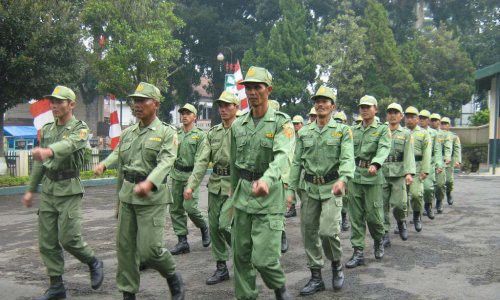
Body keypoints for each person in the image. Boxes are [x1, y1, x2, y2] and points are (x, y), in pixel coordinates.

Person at [95, 82, 184, 300]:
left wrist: (150, 182)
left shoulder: (166, 132)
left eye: (142, 100)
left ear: (156, 104)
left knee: (150, 251)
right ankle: (128, 293)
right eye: (135, 100)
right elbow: (118, 156)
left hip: (152, 198)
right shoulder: (128, 133)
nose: (137, 105)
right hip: (128, 196)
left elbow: (166, 162)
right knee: (125, 250)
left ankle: (173, 276)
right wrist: (105, 164)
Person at [22, 85, 104, 300]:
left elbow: (70, 145)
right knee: (47, 241)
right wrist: (31, 190)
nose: (54, 105)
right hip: (49, 190)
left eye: (59, 102)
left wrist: (49, 151)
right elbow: (40, 163)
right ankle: (56, 285)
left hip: (69, 189)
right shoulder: (48, 129)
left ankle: (93, 261)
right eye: (52, 101)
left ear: (72, 104)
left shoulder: (80, 128)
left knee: (69, 239)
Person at [230, 66, 294, 300]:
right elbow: (235, 164)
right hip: (244, 196)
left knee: (264, 260)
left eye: (257, 87)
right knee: (241, 257)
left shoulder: (281, 123)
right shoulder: (238, 125)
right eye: (248, 87)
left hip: (269, 197)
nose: (252, 92)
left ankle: (279, 287)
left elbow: (282, 156)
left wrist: (266, 179)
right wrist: (232, 197)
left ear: (269, 90)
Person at [288, 85, 354, 295]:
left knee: (327, 231)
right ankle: (316, 276)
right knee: (308, 233)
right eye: (317, 100)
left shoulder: (342, 131)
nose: (320, 104)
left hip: (331, 188)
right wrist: (291, 189)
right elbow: (296, 162)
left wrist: (343, 179)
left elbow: (347, 158)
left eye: (325, 101)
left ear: (333, 106)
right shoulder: (305, 131)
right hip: (308, 189)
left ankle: (336, 265)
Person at [185, 91, 239, 285]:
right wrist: (191, 185)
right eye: (220, 106)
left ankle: (244, 256)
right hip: (216, 184)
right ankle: (221, 267)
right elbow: (201, 162)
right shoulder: (213, 133)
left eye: (227, 105)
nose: (223, 109)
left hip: (235, 185)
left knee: (225, 225)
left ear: (236, 107)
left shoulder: (242, 129)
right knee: (215, 227)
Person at [346, 95, 391, 269]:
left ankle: (378, 239)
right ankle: (358, 252)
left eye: (368, 107)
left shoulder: (381, 130)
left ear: (375, 109)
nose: (364, 110)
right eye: (362, 107)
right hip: (355, 176)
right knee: (355, 217)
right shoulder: (353, 130)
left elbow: (384, 147)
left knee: (373, 216)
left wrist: (376, 163)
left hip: (373, 177)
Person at [170, 103, 210, 255]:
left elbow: (201, 159)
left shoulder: (200, 135)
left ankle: (203, 227)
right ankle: (182, 241)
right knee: (175, 209)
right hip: (176, 175)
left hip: (191, 175)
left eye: (188, 113)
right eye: (182, 113)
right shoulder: (176, 134)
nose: (184, 116)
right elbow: (171, 154)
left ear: (195, 117)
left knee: (190, 208)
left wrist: (193, 182)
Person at [381, 103, 415, 247]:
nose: (392, 115)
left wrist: (408, 173)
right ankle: (384, 234)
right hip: (382, 173)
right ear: (386, 115)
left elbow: (408, 154)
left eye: (396, 112)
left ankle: (401, 222)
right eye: (390, 112)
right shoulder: (381, 131)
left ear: (401, 116)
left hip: (399, 174)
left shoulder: (406, 134)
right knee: (382, 206)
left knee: (399, 205)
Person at [404, 106, 432, 233]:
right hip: (402, 168)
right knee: (401, 198)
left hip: (417, 166)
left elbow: (427, 152)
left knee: (415, 195)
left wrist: (425, 170)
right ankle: (402, 222)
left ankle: (416, 216)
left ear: (417, 119)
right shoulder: (400, 132)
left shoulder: (424, 134)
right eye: (407, 117)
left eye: (412, 117)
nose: (409, 119)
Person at [418, 110, 442, 219]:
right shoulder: (412, 132)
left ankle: (428, 205)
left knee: (427, 188)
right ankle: (414, 215)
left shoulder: (434, 133)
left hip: (429, 164)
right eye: (420, 117)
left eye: (424, 118)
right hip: (415, 163)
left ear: (428, 120)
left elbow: (437, 151)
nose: (422, 120)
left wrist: (439, 165)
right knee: (413, 194)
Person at [430, 113, 452, 213]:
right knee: (427, 185)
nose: (434, 122)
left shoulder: (444, 134)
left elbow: (448, 146)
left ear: (439, 121)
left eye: (436, 120)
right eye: (432, 120)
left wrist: (447, 157)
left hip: (440, 161)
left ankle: (439, 200)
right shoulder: (426, 132)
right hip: (427, 161)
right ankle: (428, 204)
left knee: (440, 184)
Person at [333, 111, 351, 231]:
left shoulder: (348, 132)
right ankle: (337, 219)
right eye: (336, 120)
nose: (338, 123)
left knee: (344, 197)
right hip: (334, 169)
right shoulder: (331, 132)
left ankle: (344, 218)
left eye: (341, 121)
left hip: (345, 168)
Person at [285, 115, 305, 218]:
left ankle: (306, 207)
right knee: (292, 187)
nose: (295, 125)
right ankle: (292, 208)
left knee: (302, 189)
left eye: (297, 123)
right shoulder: (291, 135)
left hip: (303, 167)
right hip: (292, 165)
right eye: (294, 123)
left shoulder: (305, 134)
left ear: (302, 124)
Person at [440, 117, 461, 205]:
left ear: (449, 125)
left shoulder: (454, 136)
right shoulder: (436, 134)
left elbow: (457, 149)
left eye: (446, 123)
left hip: (449, 161)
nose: (444, 125)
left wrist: (457, 161)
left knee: (449, 181)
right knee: (438, 183)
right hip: (438, 160)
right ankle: (439, 200)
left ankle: (448, 193)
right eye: (442, 123)